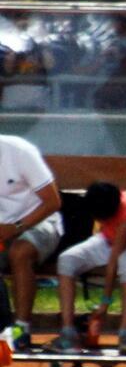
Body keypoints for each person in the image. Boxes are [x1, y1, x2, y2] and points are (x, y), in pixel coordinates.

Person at [49, 181, 126, 355]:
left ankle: (125, 333)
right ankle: (68, 332)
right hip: (106, 240)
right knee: (67, 259)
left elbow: (113, 262)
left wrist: (105, 303)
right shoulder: (105, 197)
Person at [0, 134, 62, 350]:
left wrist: (16, 227)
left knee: (20, 252)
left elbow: (53, 202)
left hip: (39, 222)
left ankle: (21, 329)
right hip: (2, 230)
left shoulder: (19, 151)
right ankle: (3, 329)